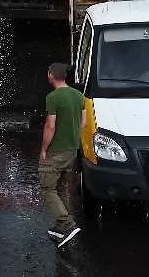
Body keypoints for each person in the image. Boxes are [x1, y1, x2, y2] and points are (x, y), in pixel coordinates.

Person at [39, 62, 86, 249]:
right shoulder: (78, 95)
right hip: (71, 150)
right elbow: (83, 122)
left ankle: (67, 224)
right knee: (61, 187)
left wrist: (44, 149)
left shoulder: (53, 97)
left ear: (51, 75)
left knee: (47, 188)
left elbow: (50, 126)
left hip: (56, 151)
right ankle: (61, 227)